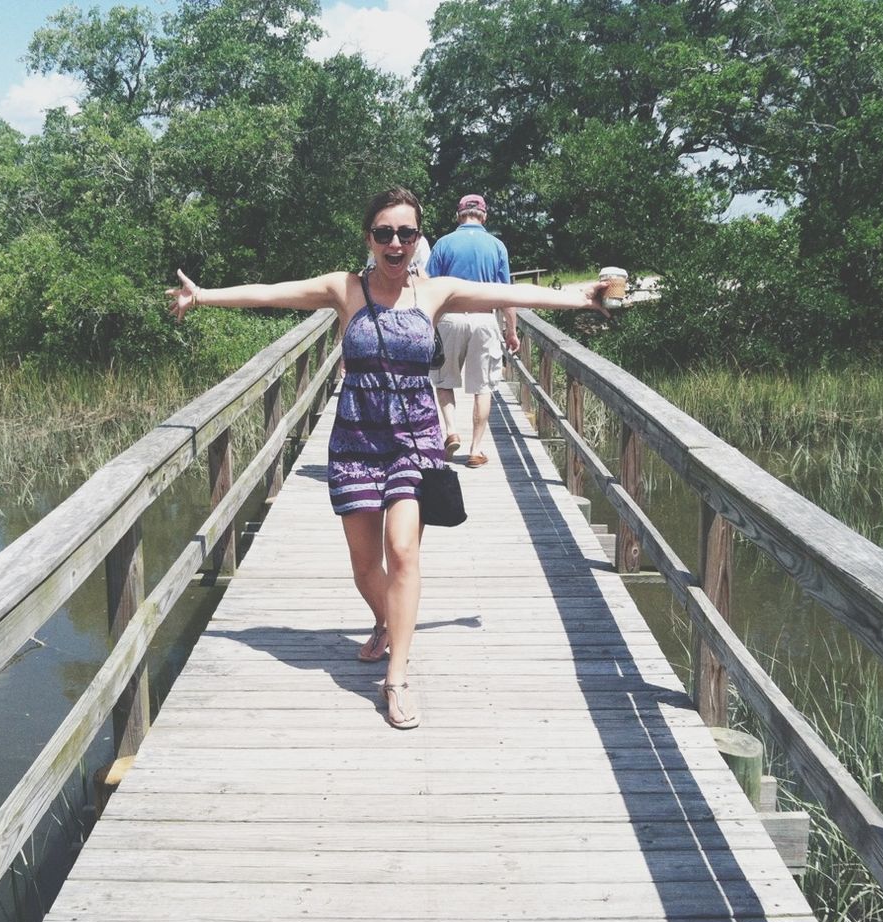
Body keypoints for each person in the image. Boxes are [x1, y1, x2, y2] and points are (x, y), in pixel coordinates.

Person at [168, 187, 608, 730]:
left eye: (406, 233)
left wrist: (583, 296)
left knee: (403, 552)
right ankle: (385, 621)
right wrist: (205, 296)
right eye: (384, 233)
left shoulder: (434, 292)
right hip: (355, 439)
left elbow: (508, 294)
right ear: (369, 239)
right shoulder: (345, 289)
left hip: (414, 441)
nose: (395, 243)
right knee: (363, 564)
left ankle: (396, 678)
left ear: (419, 240)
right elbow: (270, 292)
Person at [426, 193, 520, 468]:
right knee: (483, 388)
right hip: (483, 319)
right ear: (484, 215)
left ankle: (451, 430)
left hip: (450, 319)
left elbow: (429, 289)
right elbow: (506, 295)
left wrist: (426, 326)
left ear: (459, 215)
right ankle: (476, 450)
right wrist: (511, 330)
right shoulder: (497, 246)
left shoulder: (444, 244)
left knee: (443, 380)